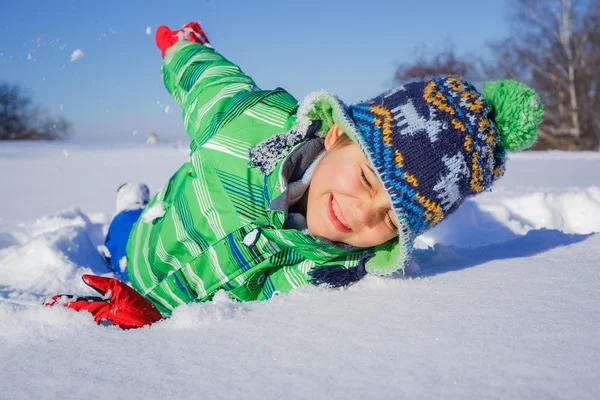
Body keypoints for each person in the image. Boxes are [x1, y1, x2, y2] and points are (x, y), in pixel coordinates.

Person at [47, 21, 543, 329]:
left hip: (155, 300)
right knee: (124, 228)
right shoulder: (247, 123)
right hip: (150, 238)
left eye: (391, 220)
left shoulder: (333, 271)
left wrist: (151, 323)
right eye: (370, 181)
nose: (362, 212)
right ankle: (130, 203)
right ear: (337, 137)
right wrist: (183, 49)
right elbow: (212, 82)